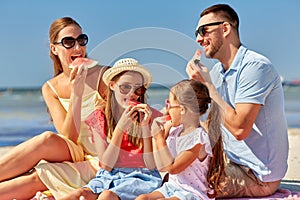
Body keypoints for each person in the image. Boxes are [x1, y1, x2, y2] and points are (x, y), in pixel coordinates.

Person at [186, 4, 289, 198]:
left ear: (225, 29)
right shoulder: (217, 72)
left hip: (257, 175)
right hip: (230, 162)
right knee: (175, 172)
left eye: (203, 30)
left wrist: (208, 86)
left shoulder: (255, 67)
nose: (198, 39)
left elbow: (240, 129)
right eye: (197, 33)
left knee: (188, 188)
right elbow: (214, 126)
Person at [0, 17, 109, 199]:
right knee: (46, 139)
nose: (77, 48)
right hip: (74, 150)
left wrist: (79, 91)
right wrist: (77, 92)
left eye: (81, 40)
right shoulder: (49, 88)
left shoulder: (104, 76)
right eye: (68, 42)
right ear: (54, 49)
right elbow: (69, 138)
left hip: (101, 155)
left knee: (41, 175)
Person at [60, 58, 162, 200]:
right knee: (79, 194)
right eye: (125, 87)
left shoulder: (152, 117)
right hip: (108, 175)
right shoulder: (99, 117)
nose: (132, 93)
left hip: (141, 176)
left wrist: (145, 127)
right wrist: (120, 129)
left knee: (107, 196)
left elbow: (151, 164)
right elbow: (106, 165)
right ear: (112, 85)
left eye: (138, 88)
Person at [137, 79, 224, 200]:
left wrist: (159, 138)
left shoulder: (198, 139)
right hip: (171, 188)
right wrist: (158, 137)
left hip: (192, 193)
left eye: (169, 104)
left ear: (182, 109)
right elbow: (160, 166)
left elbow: (173, 168)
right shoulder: (175, 131)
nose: (166, 109)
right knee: (142, 198)